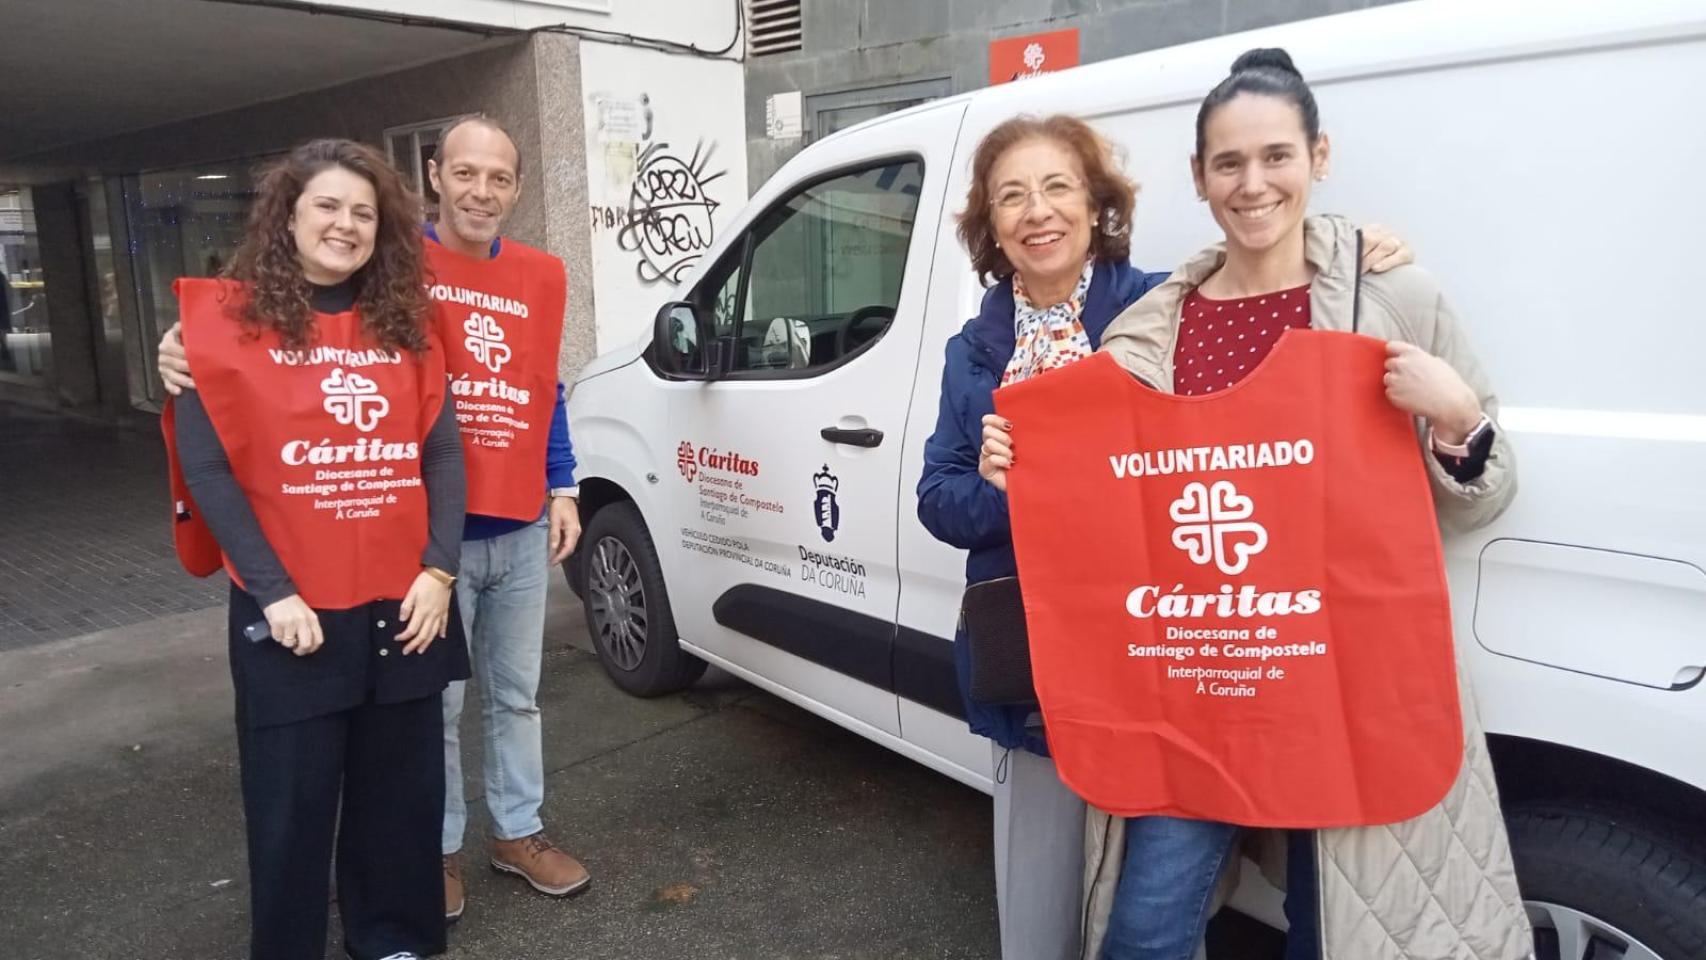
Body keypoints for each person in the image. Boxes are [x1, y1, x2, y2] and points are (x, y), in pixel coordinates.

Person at [983, 50, 1532, 960]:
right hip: (1198, 684)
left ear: (1318, 156)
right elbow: (1119, 508)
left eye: (1276, 156)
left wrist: (1457, 419)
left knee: (1334, 932)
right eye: (1229, 163)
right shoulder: (1154, 326)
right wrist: (1029, 471)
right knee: (1145, 933)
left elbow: (1486, 492)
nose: (1253, 183)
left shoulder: (1390, 299)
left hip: (1344, 683)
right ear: (1199, 177)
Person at [915, 114, 1411, 960]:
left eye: (1058, 186)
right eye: (1012, 196)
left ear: (1096, 204)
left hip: (1172, 646)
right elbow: (939, 498)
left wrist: (1345, 258)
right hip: (1041, 657)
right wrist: (1006, 492)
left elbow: (1271, 318)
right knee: (1049, 899)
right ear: (990, 224)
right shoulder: (975, 349)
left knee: (1166, 895)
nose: (1038, 211)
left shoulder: (1170, 304)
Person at [159, 116, 589, 924]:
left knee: (512, 698)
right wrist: (184, 351)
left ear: (518, 188)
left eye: (499, 177)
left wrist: (562, 483)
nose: (481, 191)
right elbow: (248, 357)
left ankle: (514, 834)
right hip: (412, 548)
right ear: (434, 177)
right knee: (429, 718)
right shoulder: (393, 266)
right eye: (466, 173)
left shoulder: (520, 277)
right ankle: (434, 853)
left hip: (509, 528)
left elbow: (542, 385)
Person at [165, 138, 468, 960]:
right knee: (289, 807)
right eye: (328, 205)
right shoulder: (217, 326)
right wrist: (272, 591)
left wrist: (441, 568)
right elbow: (208, 469)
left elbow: (442, 452)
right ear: (288, 216)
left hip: (405, 604)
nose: (346, 224)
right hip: (289, 611)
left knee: (399, 795)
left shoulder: (411, 322)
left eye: (364, 212)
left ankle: (394, 937)